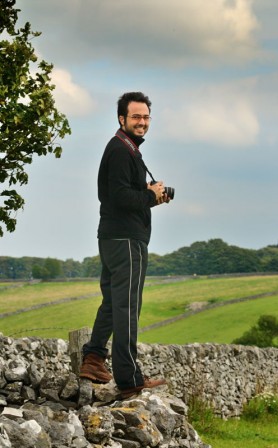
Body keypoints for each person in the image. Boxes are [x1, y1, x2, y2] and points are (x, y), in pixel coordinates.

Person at [80, 91, 171, 399]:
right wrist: (149, 196)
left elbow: (121, 196)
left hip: (112, 236)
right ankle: (129, 378)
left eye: (146, 117)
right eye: (136, 117)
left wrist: (149, 195)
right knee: (127, 306)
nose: (142, 122)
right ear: (122, 119)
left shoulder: (126, 149)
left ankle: (93, 359)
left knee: (112, 303)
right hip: (126, 240)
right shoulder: (121, 150)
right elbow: (118, 197)